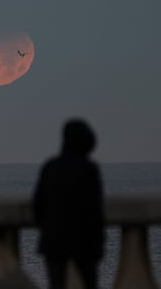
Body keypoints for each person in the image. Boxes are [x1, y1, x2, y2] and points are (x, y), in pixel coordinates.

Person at [33, 119, 104, 289]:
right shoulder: (88, 169)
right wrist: (99, 242)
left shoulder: (50, 167)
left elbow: (37, 204)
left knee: (56, 284)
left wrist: (46, 226)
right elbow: (94, 210)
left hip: (53, 241)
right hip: (84, 241)